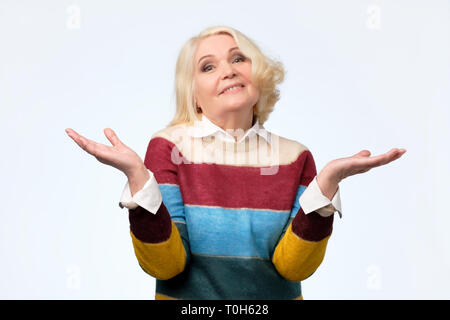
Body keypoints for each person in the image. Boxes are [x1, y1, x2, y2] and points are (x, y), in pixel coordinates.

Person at [65, 25, 406, 300]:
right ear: (194, 96)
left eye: (239, 59)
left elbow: (293, 269)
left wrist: (326, 186)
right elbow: (166, 266)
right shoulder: (169, 147)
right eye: (208, 66)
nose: (228, 70)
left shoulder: (296, 157)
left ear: (259, 77)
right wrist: (138, 180)